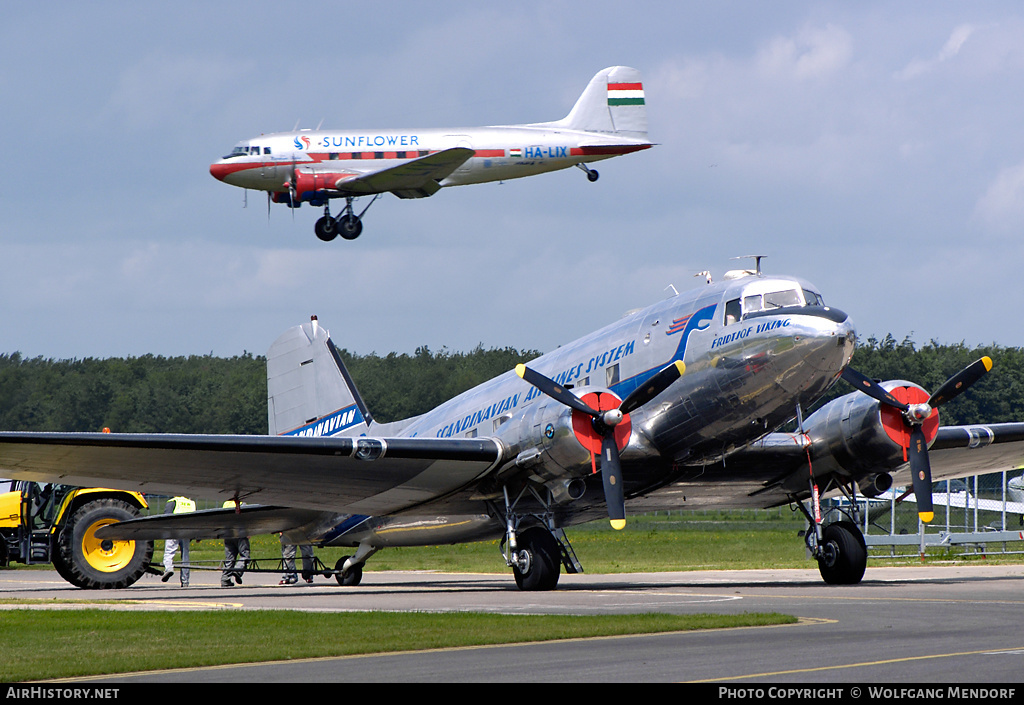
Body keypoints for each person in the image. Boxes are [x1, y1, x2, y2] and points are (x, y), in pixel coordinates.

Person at [160, 496, 195, 587]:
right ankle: (185, 581)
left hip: (173, 530)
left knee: (169, 552)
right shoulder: (191, 502)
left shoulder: (173, 501)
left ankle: (169, 568)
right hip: (186, 531)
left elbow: (166, 516)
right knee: (185, 556)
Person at [221, 500, 250, 587]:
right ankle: (238, 570)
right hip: (240, 532)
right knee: (245, 555)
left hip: (228, 533)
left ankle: (225, 579)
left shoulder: (225, 504)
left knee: (230, 558)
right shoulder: (242, 504)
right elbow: (246, 519)